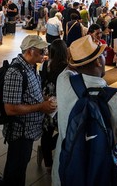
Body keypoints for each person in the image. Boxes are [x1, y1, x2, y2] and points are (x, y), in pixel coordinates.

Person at [52, 35, 117, 186]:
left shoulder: (63, 81)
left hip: (66, 172)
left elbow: (69, 67)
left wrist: (77, 56)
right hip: (103, 176)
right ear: (98, 62)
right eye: (102, 55)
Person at [2, 35, 57, 185]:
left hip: (29, 130)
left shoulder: (31, 67)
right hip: (20, 132)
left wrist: (44, 99)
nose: (44, 53)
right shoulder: (16, 73)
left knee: (20, 166)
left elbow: (31, 93)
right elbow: (10, 109)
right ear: (31, 51)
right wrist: (41, 106)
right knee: (16, 170)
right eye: (41, 50)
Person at [37, 39, 69, 172]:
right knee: (64, 132)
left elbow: (41, 82)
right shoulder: (67, 68)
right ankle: (48, 149)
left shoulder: (45, 65)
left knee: (46, 132)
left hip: (47, 103)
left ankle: (48, 162)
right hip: (62, 105)